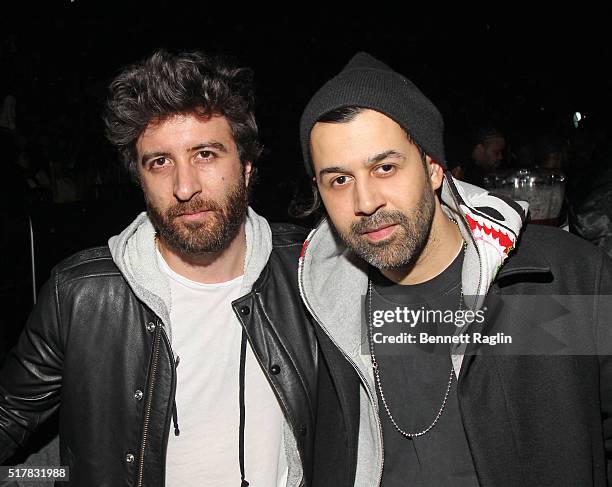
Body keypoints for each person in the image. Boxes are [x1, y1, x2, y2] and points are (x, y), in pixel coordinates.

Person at [0, 50, 333, 487]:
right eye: (160, 162)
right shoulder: (81, 294)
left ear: (247, 167)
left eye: (206, 155)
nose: (184, 187)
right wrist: (51, 477)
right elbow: (10, 420)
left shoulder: (310, 268)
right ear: (140, 178)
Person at [297, 52, 612, 486]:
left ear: (432, 168)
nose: (365, 202)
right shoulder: (314, 311)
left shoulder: (560, 277)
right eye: (339, 180)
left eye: (384, 167)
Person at [462, 123, 506, 187]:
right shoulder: (469, 179)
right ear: (479, 150)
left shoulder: (490, 173)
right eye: (496, 152)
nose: (500, 157)